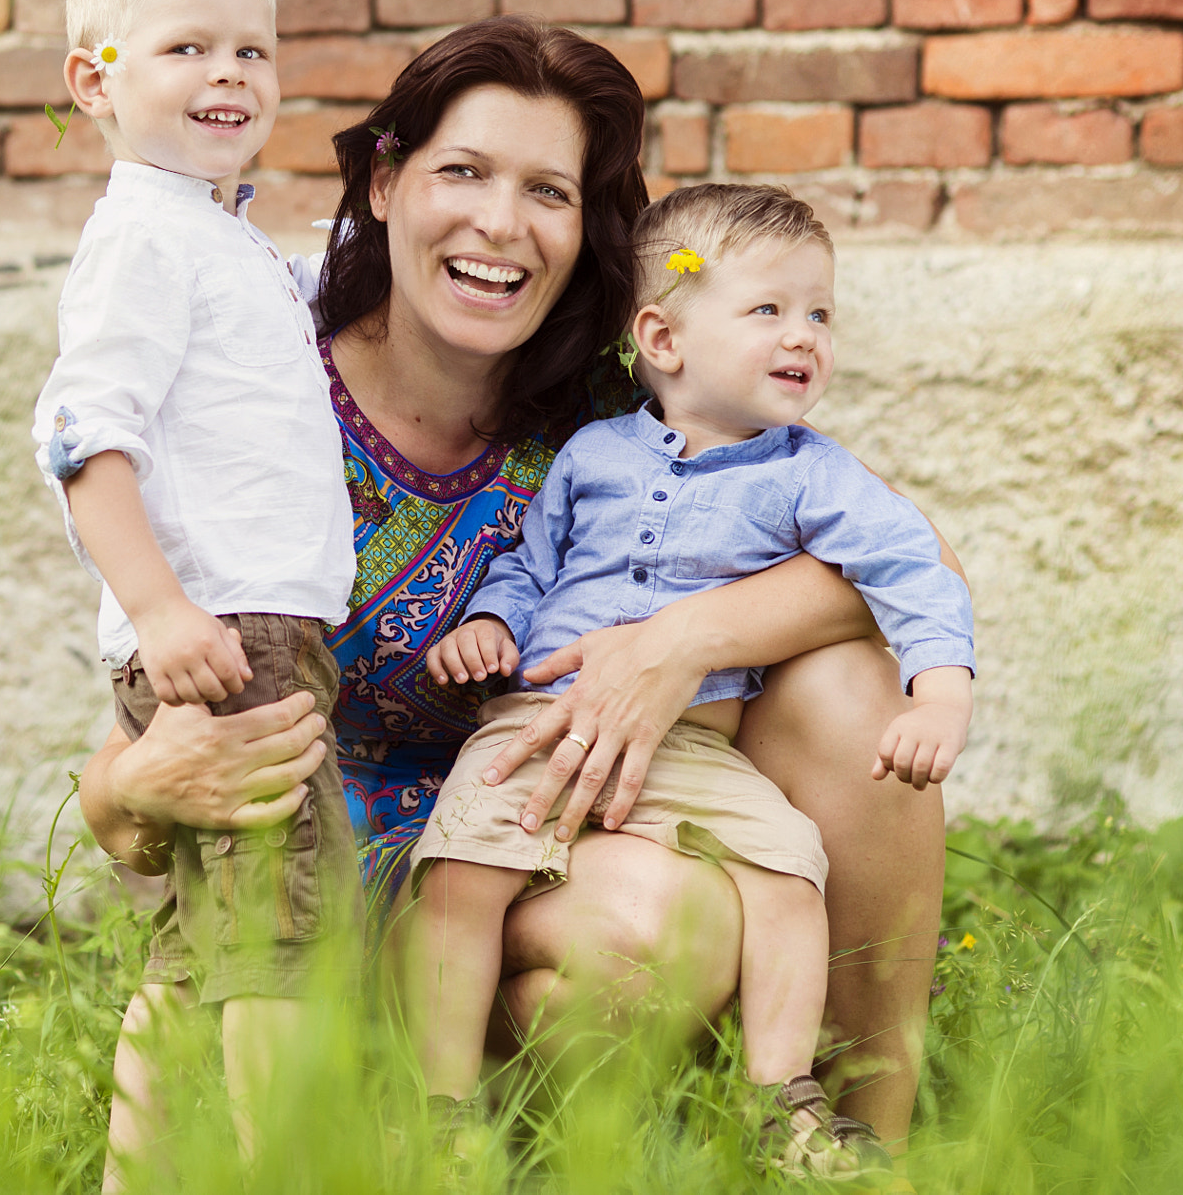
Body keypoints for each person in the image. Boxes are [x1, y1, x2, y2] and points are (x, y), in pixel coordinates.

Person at [79, 16, 962, 1176]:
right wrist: (122, 795)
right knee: (613, 939)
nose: (500, 223)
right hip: (329, 866)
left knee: (842, 694)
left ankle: (846, 1135)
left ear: (581, 227)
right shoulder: (261, 377)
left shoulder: (615, 402)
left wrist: (678, 640)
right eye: (462, 172)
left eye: (545, 189)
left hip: (560, 818)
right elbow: (153, 722)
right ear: (385, 185)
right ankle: (436, 1118)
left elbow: (903, 551)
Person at [409, 183, 975, 1178]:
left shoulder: (808, 472)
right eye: (767, 309)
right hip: (538, 724)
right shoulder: (591, 453)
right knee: (457, 874)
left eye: (819, 312)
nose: (803, 335)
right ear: (661, 339)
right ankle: (438, 1107)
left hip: (692, 748)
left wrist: (938, 687)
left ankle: (784, 1099)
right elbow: (528, 562)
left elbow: (911, 560)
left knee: (791, 869)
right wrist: (491, 621)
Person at [30, 0, 360, 1166]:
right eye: (185, 48)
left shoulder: (215, 233)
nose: (228, 73)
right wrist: (164, 610)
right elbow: (81, 435)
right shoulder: (144, 238)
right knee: (283, 945)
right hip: (230, 638)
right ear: (93, 81)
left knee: (193, 952)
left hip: (239, 626)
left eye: (251, 51)